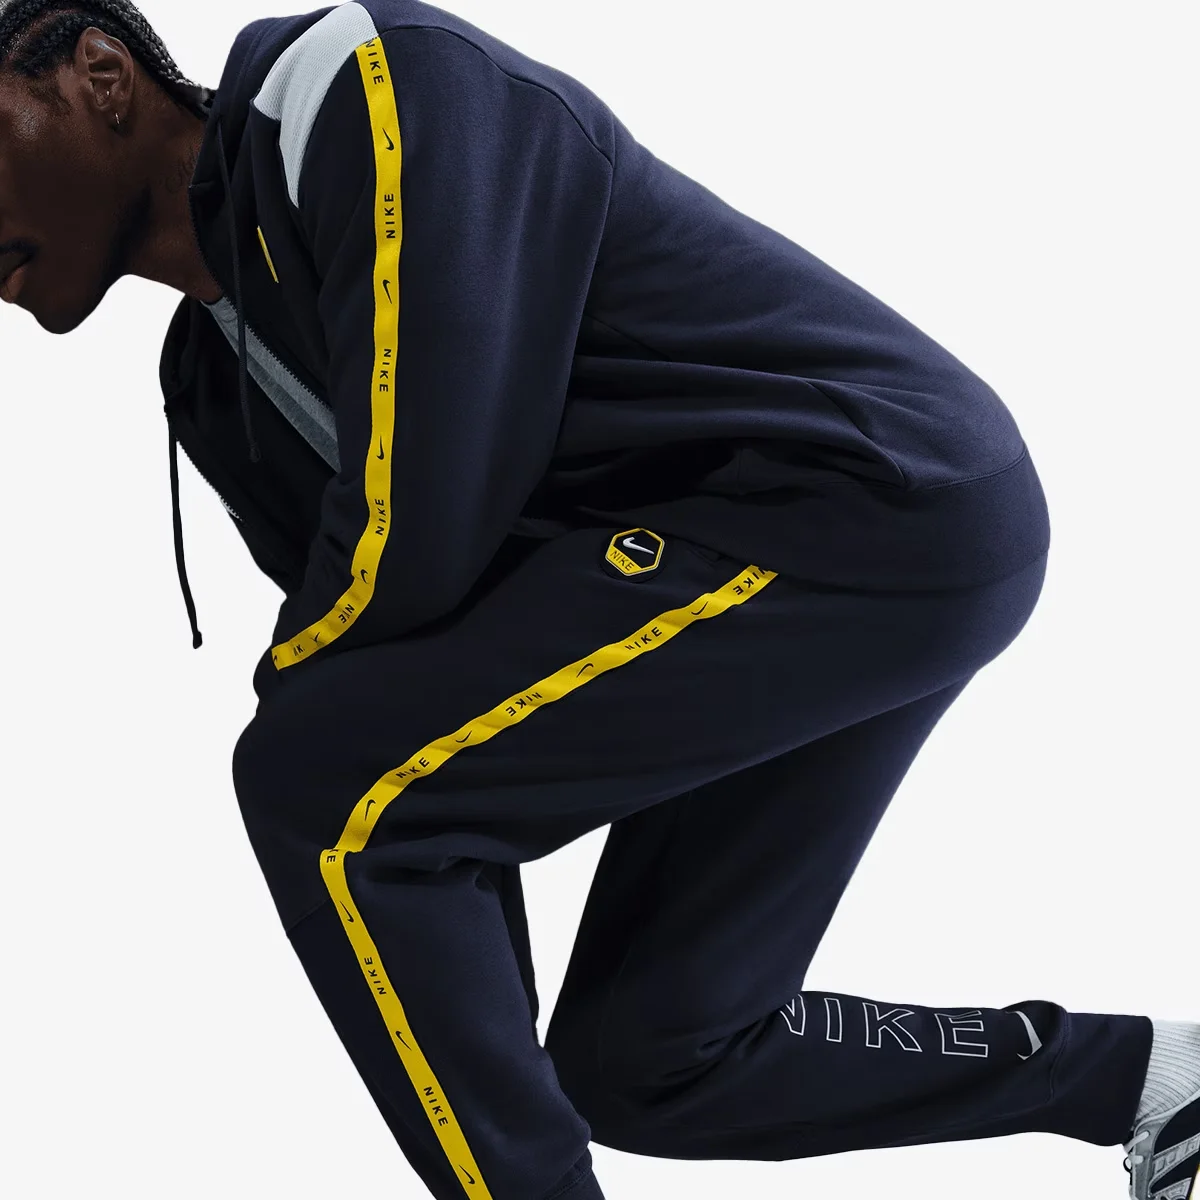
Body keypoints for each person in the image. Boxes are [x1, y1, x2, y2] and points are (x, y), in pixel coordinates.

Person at [0, 2, 1190, 1197]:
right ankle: (1147, 1077)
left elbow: (420, 532)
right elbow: (411, 711)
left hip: (856, 493)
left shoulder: (363, 84)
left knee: (310, 778)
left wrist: (340, 744)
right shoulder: (214, 384)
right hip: (785, 559)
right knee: (648, 1058)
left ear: (100, 74)